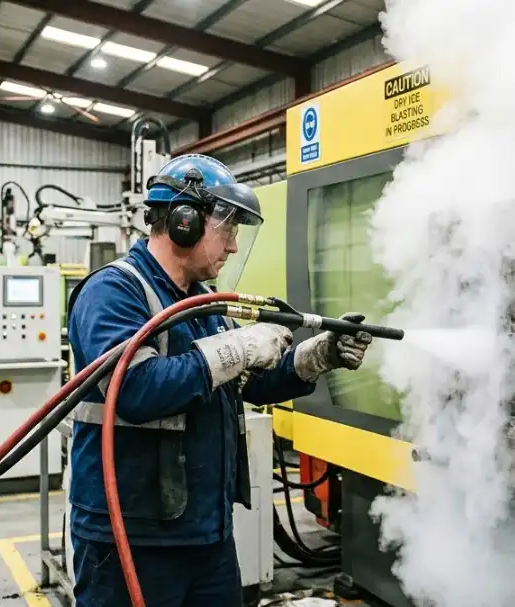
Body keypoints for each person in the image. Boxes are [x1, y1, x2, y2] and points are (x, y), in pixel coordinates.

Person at [65, 154, 373, 606]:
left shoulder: (202, 303)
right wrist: (240, 348)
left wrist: (313, 358)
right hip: (131, 536)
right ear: (184, 222)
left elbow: (242, 383)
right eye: (227, 229)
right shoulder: (113, 292)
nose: (231, 247)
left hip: (205, 531)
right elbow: (135, 389)